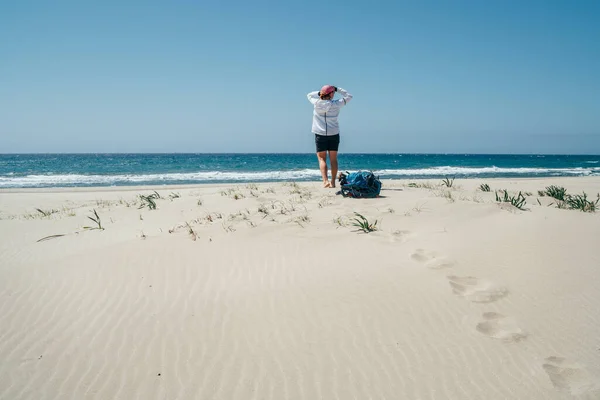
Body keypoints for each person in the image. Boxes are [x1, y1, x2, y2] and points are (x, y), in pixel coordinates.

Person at [307, 85, 353, 188]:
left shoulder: (316, 103)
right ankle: (332, 182)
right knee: (333, 159)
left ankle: (325, 181)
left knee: (322, 158)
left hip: (320, 134)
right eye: (333, 92)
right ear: (331, 94)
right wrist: (338, 89)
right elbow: (349, 96)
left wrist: (320, 93)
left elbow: (309, 95)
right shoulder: (336, 104)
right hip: (334, 134)